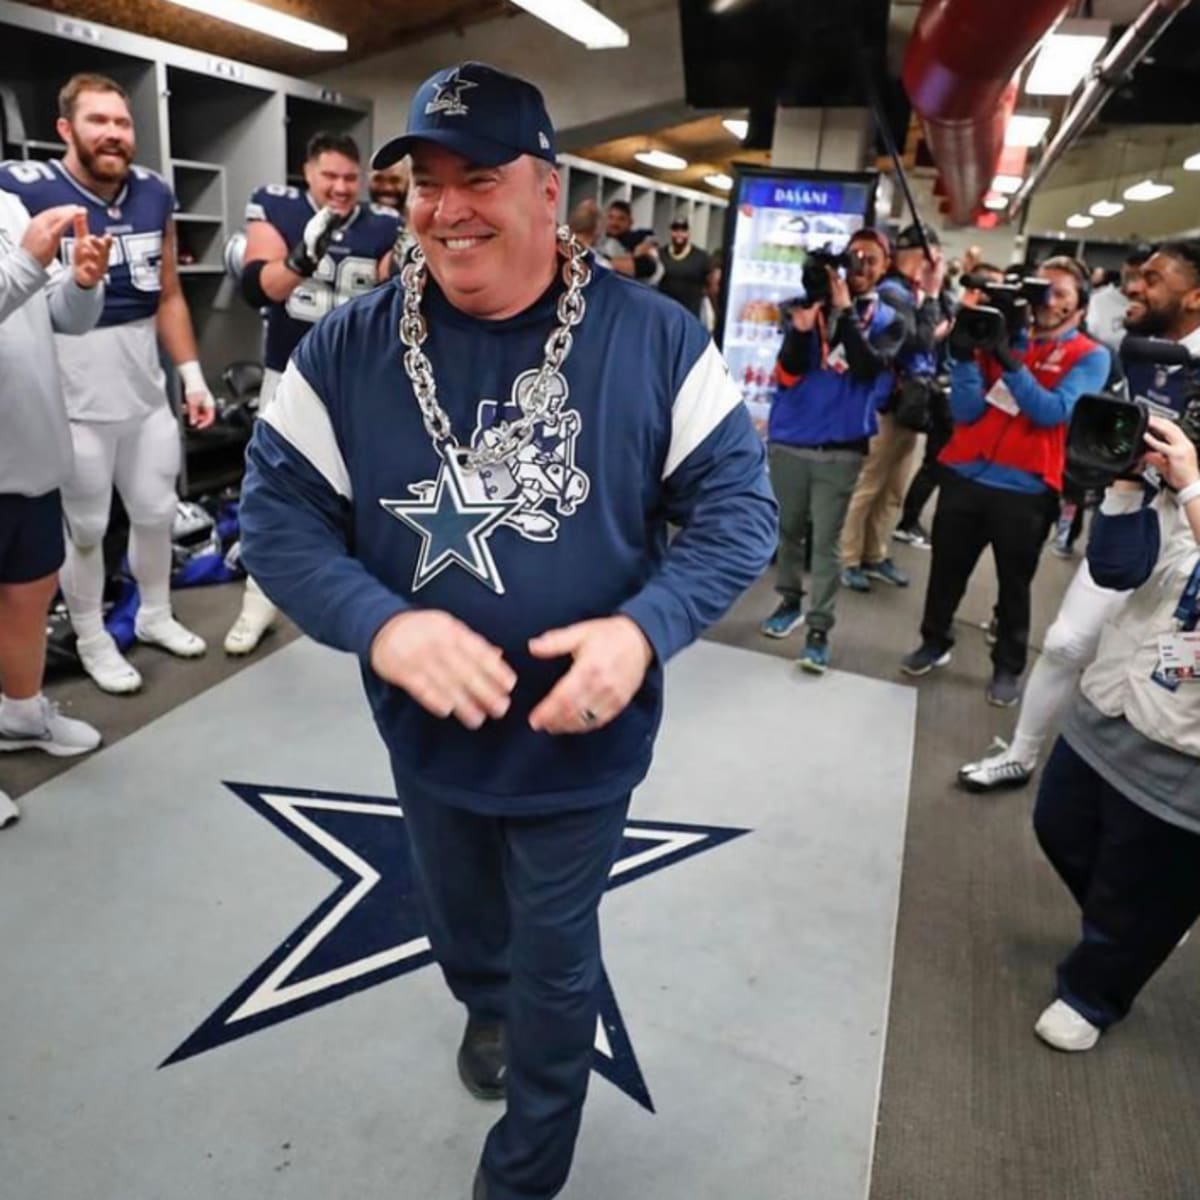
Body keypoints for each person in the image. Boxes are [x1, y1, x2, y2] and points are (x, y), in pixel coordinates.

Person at [237, 60, 776, 1200]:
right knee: (463, 923)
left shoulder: (657, 338)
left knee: (553, 955)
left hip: (582, 743)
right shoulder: (349, 346)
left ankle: (522, 1172)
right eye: (420, 183)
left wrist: (643, 632)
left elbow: (739, 513)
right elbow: (275, 514)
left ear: (546, 188)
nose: (443, 208)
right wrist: (377, 625)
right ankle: (483, 999)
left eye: (475, 176)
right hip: (426, 733)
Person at [0, 73, 217, 695]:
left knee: (154, 512)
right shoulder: (24, 190)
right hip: (72, 393)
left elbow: (170, 293)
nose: (114, 134)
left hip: (144, 386)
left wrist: (193, 379)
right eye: (98, 121)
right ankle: (91, 635)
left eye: (122, 122)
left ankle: (154, 613)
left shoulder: (153, 191)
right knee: (87, 525)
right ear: (65, 129)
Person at [960, 241, 1200, 791]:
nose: (1133, 287)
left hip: (1189, 537)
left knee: (1161, 666)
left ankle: (1142, 785)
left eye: (1152, 279)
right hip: (1131, 509)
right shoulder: (1138, 352)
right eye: (1136, 276)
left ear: (1194, 296)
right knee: (1068, 642)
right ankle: (1021, 754)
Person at [1031, 413, 1200, 1052]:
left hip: (1186, 756)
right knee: (1059, 826)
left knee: (1145, 885)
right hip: (1110, 704)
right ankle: (1141, 925)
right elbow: (1114, 569)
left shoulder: (1192, 487)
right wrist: (1126, 486)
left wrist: (1189, 492)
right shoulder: (1183, 480)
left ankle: (1093, 993)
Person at [901, 256, 1110, 707]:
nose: (1046, 301)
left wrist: (1009, 363)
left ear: (1080, 306)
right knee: (945, 573)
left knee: (1014, 585)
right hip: (963, 474)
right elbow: (968, 412)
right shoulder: (998, 332)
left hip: (1027, 490)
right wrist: (964, 358)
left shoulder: (1090, 356)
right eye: (1040, 289)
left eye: (1058, 293)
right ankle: (934, 641)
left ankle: (1007, 666)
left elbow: (1051, 411)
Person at [223, 132, 401, 655]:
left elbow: (400, 281)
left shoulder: (383, 223)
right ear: (309, 172)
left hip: (366, 376)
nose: (341, 187)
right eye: (331, 176)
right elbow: (260, 287)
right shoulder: (276, 206)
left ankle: (369, 606)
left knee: (372, 492)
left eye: (351, 178)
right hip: (291, 373)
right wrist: (303, 256)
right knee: (274, 492)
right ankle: (257, 605)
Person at [0, 195, 110, 828]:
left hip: (30, 452)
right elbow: (17, 278)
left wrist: (81, 285)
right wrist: (26, 264)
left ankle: (20, 714)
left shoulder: (10, 204)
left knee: (29, 592)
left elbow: (54, 318)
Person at [758, 227, 908, 673]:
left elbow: (866, 369)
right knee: (786, 533)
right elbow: (788, 372)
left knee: (825, 544)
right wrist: (802, 332)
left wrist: (844, 312)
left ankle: (819, 628)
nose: (860, 267)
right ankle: (788, 602)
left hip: (841, 448)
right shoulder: (800, 309)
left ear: (884, 268)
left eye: (871, 260)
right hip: (790, 439)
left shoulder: (888, 320)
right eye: (853, 257)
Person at [841, 223, 946, 592]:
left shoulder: (912, 293)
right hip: (887, 403)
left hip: (909, 406)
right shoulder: (893, 293)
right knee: (869, 484)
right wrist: (933, 298)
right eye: (930, 255)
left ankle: (875, 552)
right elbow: (917, 341)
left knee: (893, 488)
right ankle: (848, 556)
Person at [894, 262, 1006, 548]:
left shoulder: (987, 319)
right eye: (991, 287)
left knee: (939, 464)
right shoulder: (959, 314)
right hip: (945, 395)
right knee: (935, 463)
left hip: (962, 395)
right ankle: (908, 522)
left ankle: (911, 521)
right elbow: (932, 340)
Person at [599, 199, 663, 286]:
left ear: (630, 222)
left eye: (621, 219)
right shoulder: (598, 240)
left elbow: (647, 267)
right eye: (611, 217)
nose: (614, 223)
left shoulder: (640, 239)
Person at [657, 216, 710, 318]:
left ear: (688, 233)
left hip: (690, 316)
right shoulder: (660, 254)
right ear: (671, 232)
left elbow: (709, 284)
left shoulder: (701, 257)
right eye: (675, 230)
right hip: (664, 314)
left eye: (683, 230)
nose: (679, 234)